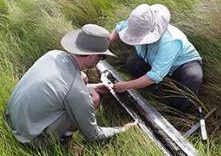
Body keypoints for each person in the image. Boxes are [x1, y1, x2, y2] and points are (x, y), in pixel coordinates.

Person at [4, 24, 136, 148]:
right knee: (94, 98)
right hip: (30, 140)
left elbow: (60, 88)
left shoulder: (52, 54)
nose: (100, 60)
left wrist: (90, 87)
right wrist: (122, 129)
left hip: (10, 120)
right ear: (90, 56)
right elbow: (94, 135)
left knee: (85, 83)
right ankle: (64, 142)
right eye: (101, 56)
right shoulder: (75, 90)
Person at [109, 4, 203, 111]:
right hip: (150, 58)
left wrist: (126, 86)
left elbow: (154, 76)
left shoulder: (171, 41)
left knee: (192, 78)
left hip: (181, 65)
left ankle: (174, 110)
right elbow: (119, 28)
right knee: (133, 63)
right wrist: (105, 42)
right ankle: (151, 88)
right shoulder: (137, 23)